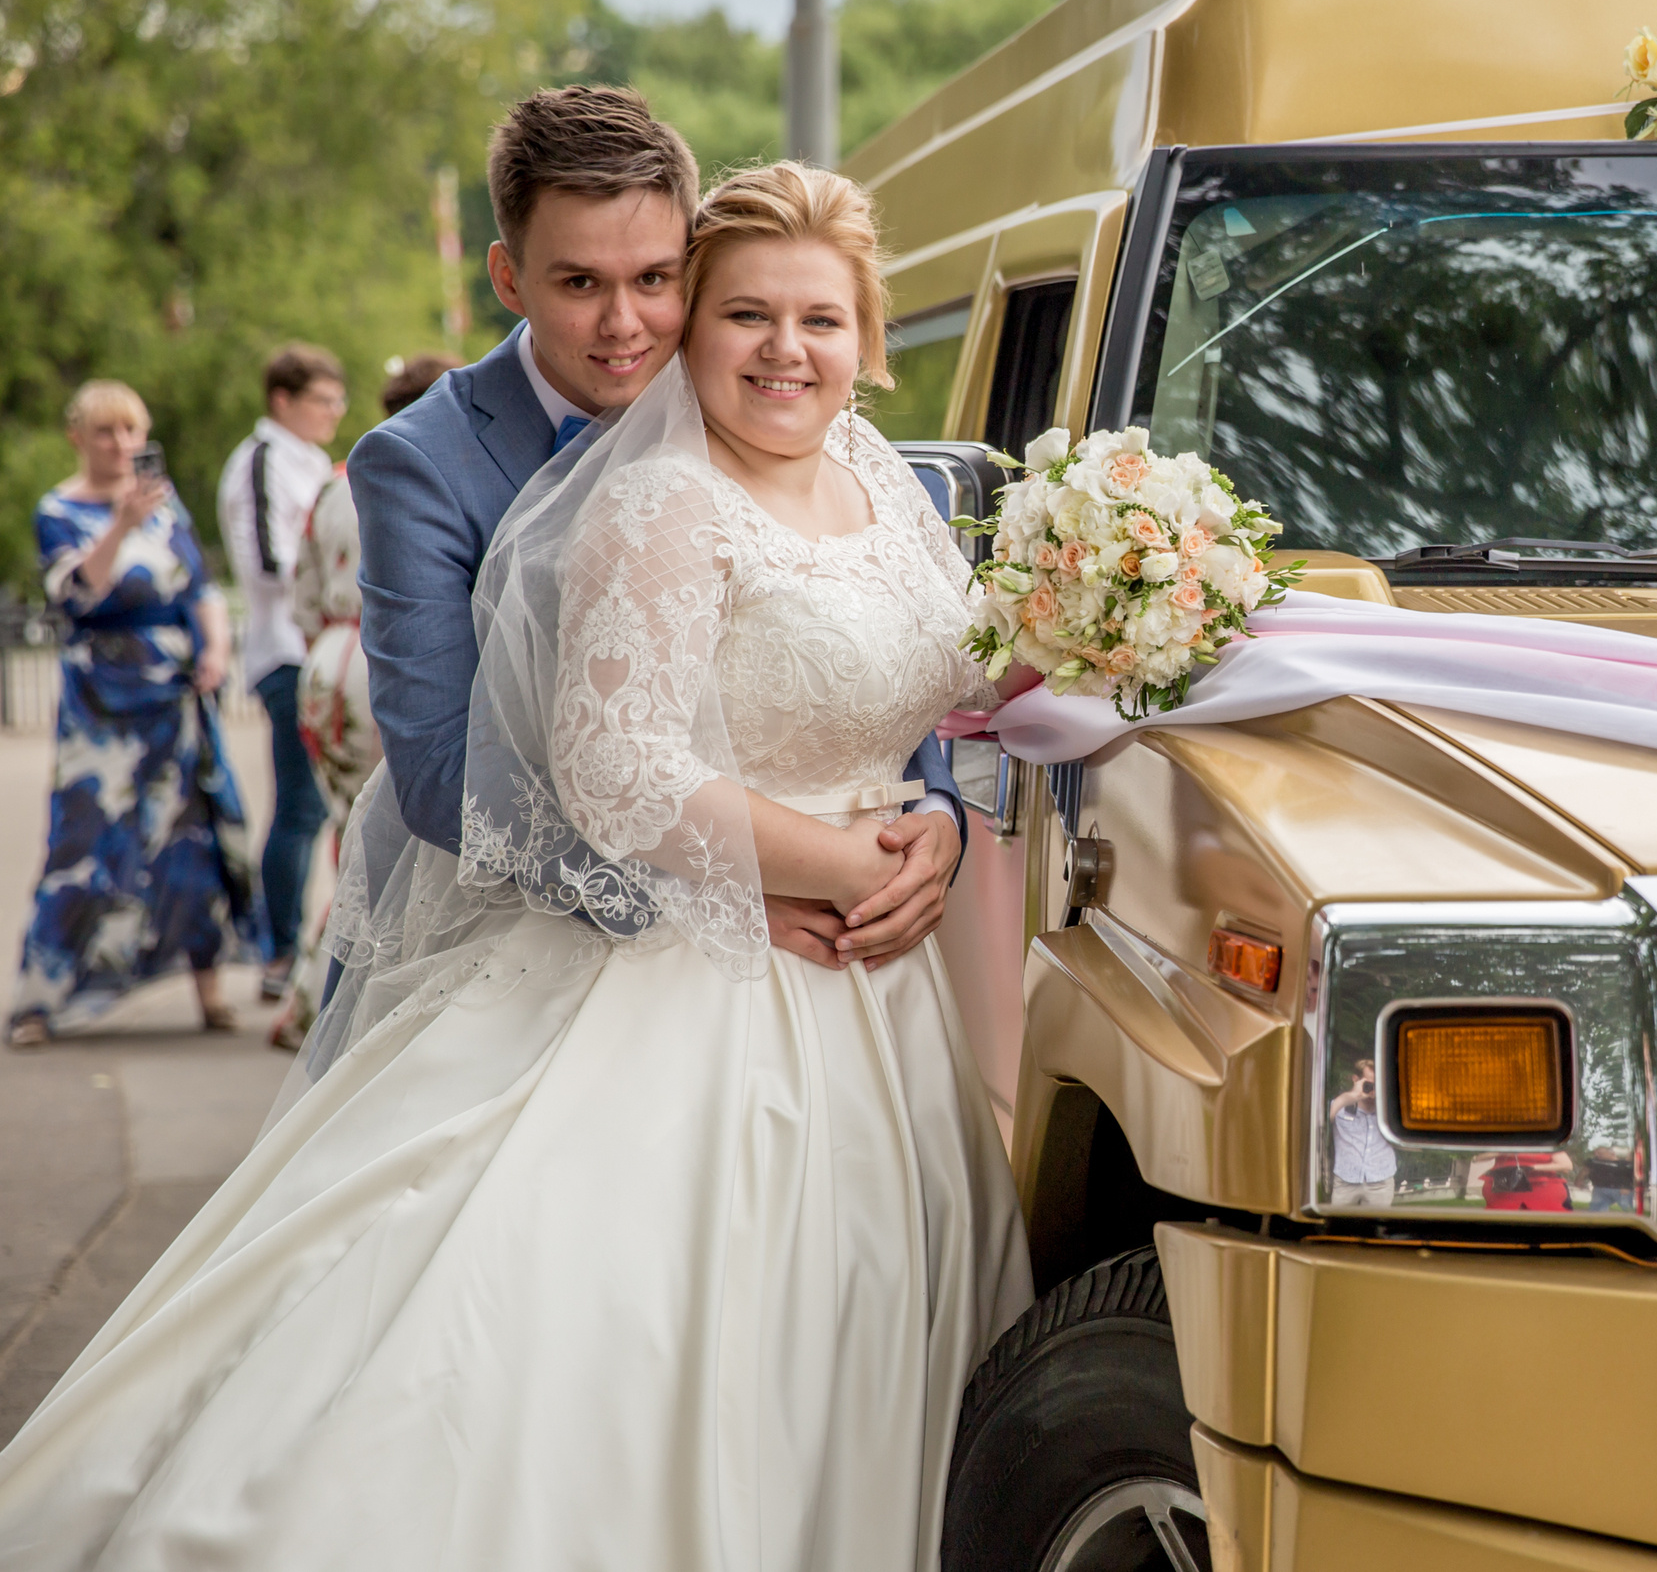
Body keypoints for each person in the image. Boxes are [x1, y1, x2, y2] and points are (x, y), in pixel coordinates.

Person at [0, 161, 1034, 1566]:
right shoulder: (656, 502)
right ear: (689, 329)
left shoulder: (877, 477)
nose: (787, 347)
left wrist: (981, 776)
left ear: (868, 335)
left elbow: (941, 681)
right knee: (590, 1341)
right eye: (746, 314)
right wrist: (835, 863)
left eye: (823, 318)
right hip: (696, 977)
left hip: (884, 995)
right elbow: (604, 771)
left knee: (858, 1339)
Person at [345, 85, 963, 988]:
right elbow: (443, 776)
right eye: (579, 283)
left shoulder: (775, 411)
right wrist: (715, 889)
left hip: (824, 940)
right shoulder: (419, 464)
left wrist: (935, 808)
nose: (624, 324)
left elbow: (846, 640)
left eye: (654, 279)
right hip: (507, 949)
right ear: (510, 279)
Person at [10, 381, 256, 1047]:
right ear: (79, 437)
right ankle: (44, 996)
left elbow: (198, 586)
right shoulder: (59, 509)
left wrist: (216, 647)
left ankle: (209, 989)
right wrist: (119, 523)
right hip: (103, 701)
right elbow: (76, 593)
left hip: (176, 692)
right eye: (106, 433)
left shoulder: (166, 503)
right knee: (84, 840)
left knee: (193, 832)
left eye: (131, 433)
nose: (122, 447)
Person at [267, 356, 457, 1049]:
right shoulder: (429, 470)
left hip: (327, 663)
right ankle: (339, 997)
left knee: (348, 827)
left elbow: (305, 591)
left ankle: (314, 996)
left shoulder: (337, 482)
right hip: (383, 658)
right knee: (382, 838)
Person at [217, 342, 343, 1003]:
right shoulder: (265, 460)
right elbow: (273, 561)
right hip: (288, 649)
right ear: (283, 401)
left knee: (311, 805)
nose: (334, 412)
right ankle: (281, 948)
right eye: (322, 400)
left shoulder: (310, 460)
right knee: (301, 806)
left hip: (311, 648)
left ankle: (290, 943)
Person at [1331, 1057, 1397, 1206]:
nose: (1373, 1091)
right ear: (1356, 1079)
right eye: (1369, 1084)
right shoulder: (1341, 1105)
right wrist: (1352, 1095)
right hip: (1345, 1180)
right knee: (1339, 1227)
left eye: (1378, 1085)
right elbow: (1320, 1121)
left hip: (1380, 1182)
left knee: (1377, 1228)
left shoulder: (1389, 1111)